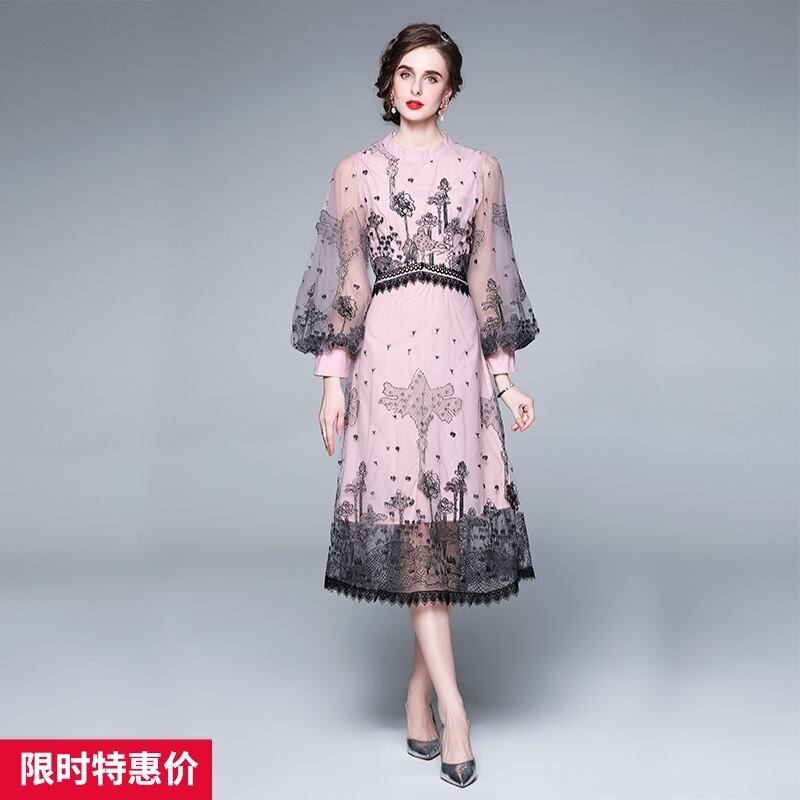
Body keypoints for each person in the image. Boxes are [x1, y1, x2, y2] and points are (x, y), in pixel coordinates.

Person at [290, 22, 541, 788]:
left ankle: (415, 699)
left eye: (432, 77)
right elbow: (348, 279)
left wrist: (505, 379)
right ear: (388, 81)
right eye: (406, 73)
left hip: (460, 360)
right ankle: (453, 712)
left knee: (445, 529)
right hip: (388, 364)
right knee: (417, 532)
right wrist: (332, 378)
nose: (416, 88)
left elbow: (488, 278)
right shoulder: (356, 172)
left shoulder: (481, 171)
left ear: (450, 91)